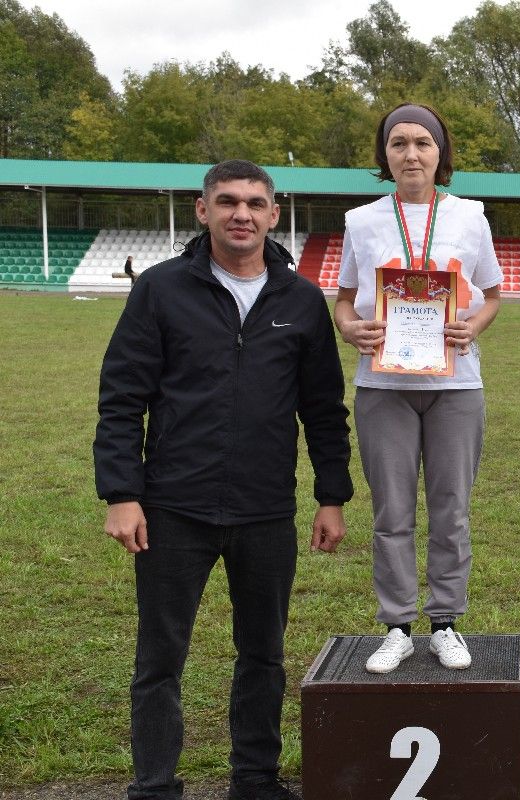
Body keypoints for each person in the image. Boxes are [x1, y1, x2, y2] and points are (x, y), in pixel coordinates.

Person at [94, 159, 353, 800]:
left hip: (265, 510)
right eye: (229, 201)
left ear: (273, 215)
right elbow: (122, 396)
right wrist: (122, 494)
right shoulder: (159, 290)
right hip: (172, 506)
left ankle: (256, 779)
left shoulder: (300, 300)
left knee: (263, 654)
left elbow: (323, 407)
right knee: (160, 658)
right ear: (203, 210)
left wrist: (331, 496)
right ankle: (153, 784)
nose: (243, 213)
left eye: (256, 203)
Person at [335, 103, 502, 673]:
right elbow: (343, 298)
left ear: (440, 153)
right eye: (399, 142)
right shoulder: (361, 220)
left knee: (451, 508)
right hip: (383, 384)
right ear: (384, 154)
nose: (411, 153)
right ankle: (397, 626)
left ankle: (446, 622)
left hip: (456, 385)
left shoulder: (471, 216)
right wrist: (351, 327)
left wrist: (472, 325)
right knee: (392, 511)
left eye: (423, 143)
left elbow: (493, 294)